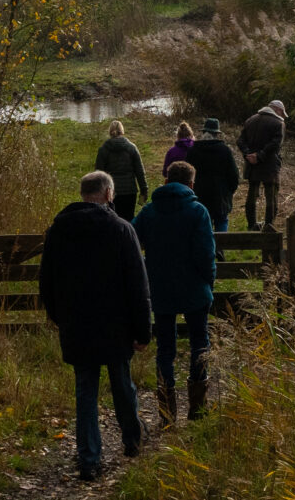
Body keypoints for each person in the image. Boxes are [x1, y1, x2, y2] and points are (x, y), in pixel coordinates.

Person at [38, 172, 152, 481]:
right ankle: (132, 441)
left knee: (85, 390)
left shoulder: (59, 230)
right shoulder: (121, 230)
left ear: (83, 193)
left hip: (77, 324)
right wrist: (143, 331)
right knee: (122, 385)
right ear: (108, 194)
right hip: (116, 326)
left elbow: (46, 281)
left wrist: (58, 316)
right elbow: (138, 286)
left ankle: (89, 459)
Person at [135, 160, 218, 423]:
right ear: (191, 183)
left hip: (160, 287)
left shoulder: (149, 212)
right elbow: (206, 253)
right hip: (194, 286)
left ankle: (167, 412)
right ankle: (197, 406)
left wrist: (146, 274)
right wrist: (209, 281)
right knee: (199, 343)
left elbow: (132, 243)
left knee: (165, 348)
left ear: (166, 180)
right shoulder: (198, 211)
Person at [240, 99, 288, 231]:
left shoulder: (250, 120)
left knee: (252, 194)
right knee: (271, 196)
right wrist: (260, 155)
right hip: (269, 166)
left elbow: (240, 141)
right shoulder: (279, 123)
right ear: (277, 110)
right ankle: (269, 226)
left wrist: (248, 155)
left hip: (251, 164)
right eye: (282, 113)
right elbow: (276, 144)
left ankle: (251, 225)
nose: (283, 116)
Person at [186, 116, 242, 232]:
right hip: (220, 195)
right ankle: (220, 248)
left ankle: (206, 249)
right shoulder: (225, 150)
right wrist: (229, 191)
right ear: (217, 134)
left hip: (199, 194)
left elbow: (186, 173)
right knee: (221, 221)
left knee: (203, 224)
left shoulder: (193, 150)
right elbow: (234, 175)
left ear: (204, 133)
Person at [94, 120, 149, 221]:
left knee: (112, 220)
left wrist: (98, 194)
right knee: (128, 219)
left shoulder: (104, 150)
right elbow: (139, 171)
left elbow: (99, 174)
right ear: (122, 131)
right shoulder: (132, 148)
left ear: (110, 131)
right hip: (130, 191)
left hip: (111, 192)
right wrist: (144, 189)